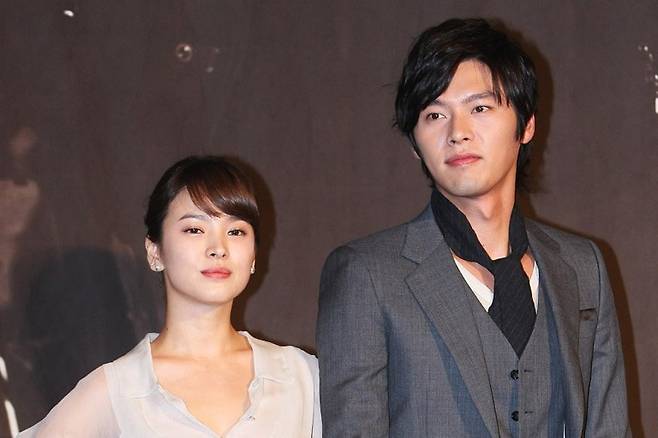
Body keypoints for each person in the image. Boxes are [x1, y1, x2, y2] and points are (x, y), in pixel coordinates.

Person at [316, 18, 630, 437]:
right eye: (434, 115)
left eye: (479, 108)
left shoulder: (582, 266)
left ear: (526, 125)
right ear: (415, 144)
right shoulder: (366, 274)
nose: (458, 133)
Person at [20, 155, 321, 437]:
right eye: (194, 229)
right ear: (155, 251)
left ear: (254, 256)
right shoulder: (119, 388)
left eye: (236, 231)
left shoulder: (302, 377)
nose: (218, 248)